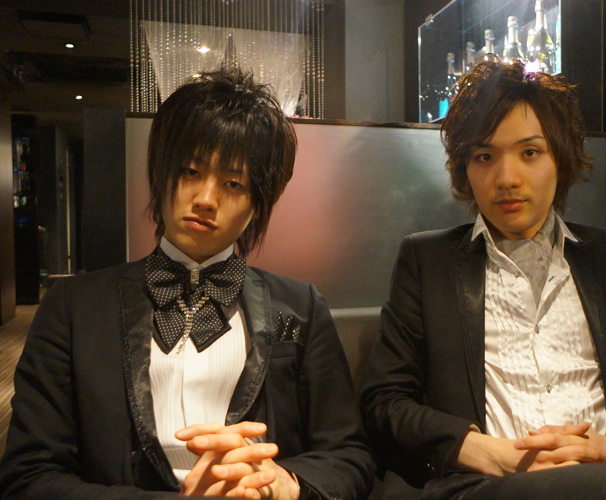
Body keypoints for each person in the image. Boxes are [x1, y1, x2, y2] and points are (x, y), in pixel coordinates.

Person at [0, 67, 374, 500]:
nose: (206, 199)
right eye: (191, 171)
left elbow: (349, 455)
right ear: (160, 173)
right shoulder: (73, 307)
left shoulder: (301, 306)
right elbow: (29, 475)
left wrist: (285, 484)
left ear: (259, 203)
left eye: (233, 183)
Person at [360, 59, 606, 500]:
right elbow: (384, 402)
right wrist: (490, 453)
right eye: (484, 156)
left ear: (561, 158)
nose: (507, 179)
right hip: (487, 487)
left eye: (530, 152)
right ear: (465, 169)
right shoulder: (428, 261)